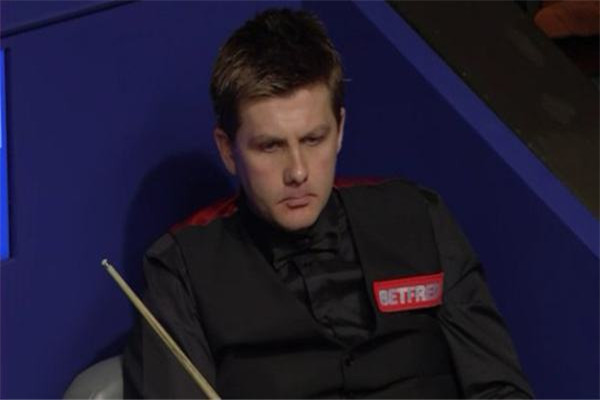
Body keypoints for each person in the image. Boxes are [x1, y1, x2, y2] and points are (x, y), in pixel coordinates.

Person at [123, 8, 533, 399]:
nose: (298, 171)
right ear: (228, 150)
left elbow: (500, 390)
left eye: (313, 139)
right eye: (270, 146)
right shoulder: (180, 271)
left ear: (340, 130)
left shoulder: (417, 217)